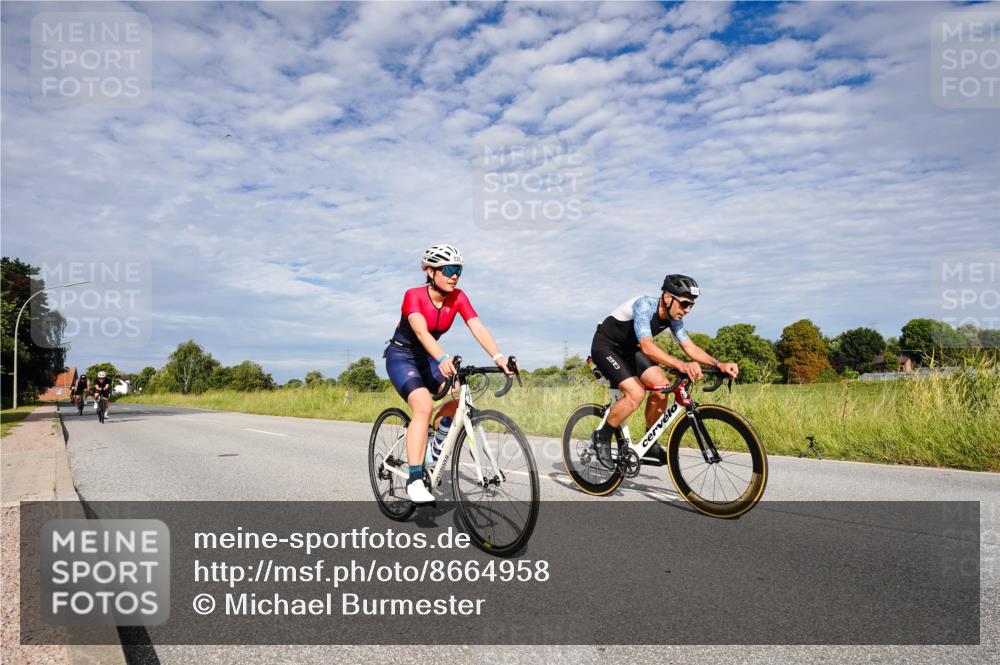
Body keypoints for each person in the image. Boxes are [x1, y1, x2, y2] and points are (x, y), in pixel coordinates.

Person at [385, 244, 512, 505]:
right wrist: (442, 357)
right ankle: (415, 479)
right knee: (423, 405)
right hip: (402, 356)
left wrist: (498, 357)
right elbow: (420, 332)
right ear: (430, 271)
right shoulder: (414, 295)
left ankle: (435, 444)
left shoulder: (459, 297)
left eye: (459, 271)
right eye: (449, 270)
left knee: (459, 396)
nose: (454, 276)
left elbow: (476, 326)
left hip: (428, 357)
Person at [590, 274, 739, 464]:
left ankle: (649, 442)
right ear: (668, 297)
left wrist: (719, 364)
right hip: (606, 347)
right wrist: (681, 364)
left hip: (629, 351)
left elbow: (689, 347)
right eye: (685, 304)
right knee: (636, 393)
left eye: (691, 305)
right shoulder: (644, 305)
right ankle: (601, 437)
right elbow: (647, 346)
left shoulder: (673, 317)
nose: (688, 310)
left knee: (662, 386)